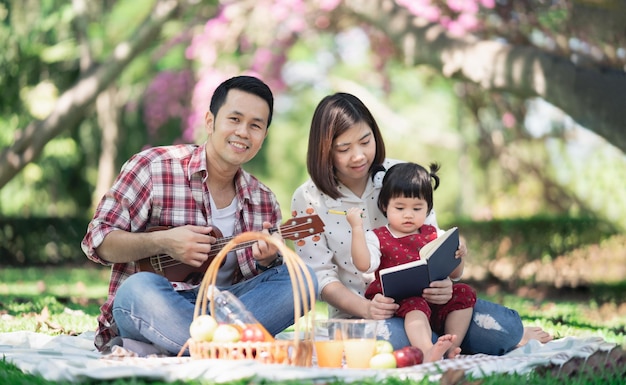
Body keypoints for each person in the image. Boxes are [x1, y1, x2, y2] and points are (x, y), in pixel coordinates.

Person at [290, 92, 552, 355]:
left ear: (374, 134)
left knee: (504, 327)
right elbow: (320, 277)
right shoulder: (308, 199)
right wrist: (367, 308)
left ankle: (446, 341)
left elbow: (433, 247)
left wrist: (445, 284)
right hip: (365, 316)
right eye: (344, 149)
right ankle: (442, 343)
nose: (358, 156)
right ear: (324, 151)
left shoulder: (403, 176)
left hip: (432, 305)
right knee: (395, 339)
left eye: (365, 141)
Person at [82, 75, 317, 356]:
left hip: (221, 310)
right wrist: (163, 242)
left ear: (263, 136)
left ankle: (181, 348)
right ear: (210, 121)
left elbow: (258, 292)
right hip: (156, 304)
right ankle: (227, 347)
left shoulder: (263, 200)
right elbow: (98, 241)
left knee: (303, 279)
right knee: (137, 288)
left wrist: (266, 261)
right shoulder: (153, 168)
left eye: (255, 125)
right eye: (234, 119)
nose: (243, 132)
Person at [347, 162, 476, 361]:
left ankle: (451, 346)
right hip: (402, 303)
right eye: (400, 208)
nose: (408, 214)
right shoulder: (378, 237)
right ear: (384, 206)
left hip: (434, 299)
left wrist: (458, 255)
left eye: (417, 208)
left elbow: (455, 274)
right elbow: (364, 264)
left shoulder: (435, 235)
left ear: (428, 208)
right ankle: (426, 350)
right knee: (415, 305)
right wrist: (356, 229)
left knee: (465, 293)